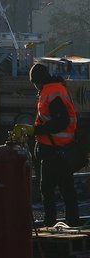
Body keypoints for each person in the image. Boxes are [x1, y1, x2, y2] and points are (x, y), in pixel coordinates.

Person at [30, 62, 81, 228]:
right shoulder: (55, 89)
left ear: (37, 81)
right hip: (59, 148)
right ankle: (72, 222)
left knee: (48, 189)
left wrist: (36, 130)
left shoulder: (51, 93)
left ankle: (50, 223)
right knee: (66, 189)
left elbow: (61, 121)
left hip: (55, 150)